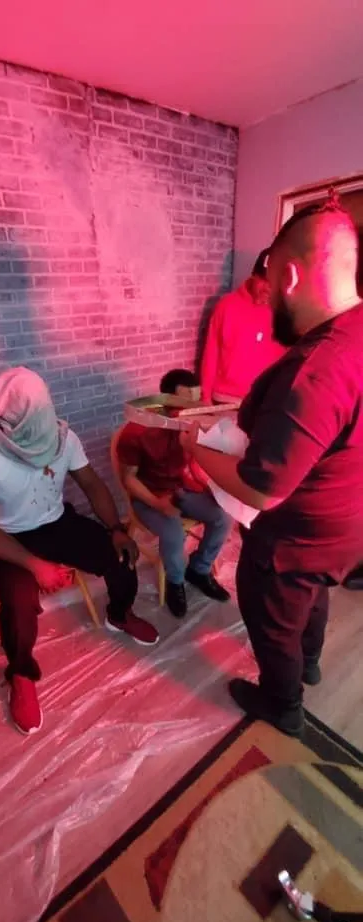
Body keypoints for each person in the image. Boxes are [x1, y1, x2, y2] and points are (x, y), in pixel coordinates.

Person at [181, 194, 363, 738]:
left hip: (297, 536)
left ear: (288, 277)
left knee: (273, 614)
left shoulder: (315, 370)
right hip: (346, 524)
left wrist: (197, 449)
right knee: (314, 591)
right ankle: (311, 663)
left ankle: (282, 704)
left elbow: (262, 490)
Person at [0, 367, 158, 736]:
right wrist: (35, 565)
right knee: (18, 606)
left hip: (57, 522)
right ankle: (20, 673)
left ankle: (119, 614)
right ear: (10, 421)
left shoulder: (64, 438)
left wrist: (116, 529)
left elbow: (92, 485)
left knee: (121, 558)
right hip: (10, 537)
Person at [117, 369, 231, 618]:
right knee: (174, 533)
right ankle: (175, 582)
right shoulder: (137, 431)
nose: (192, 411)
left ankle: (199, 570)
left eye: (196, 403)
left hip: (180, 488)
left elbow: (196, 463)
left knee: (223, 516)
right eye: (185, 404)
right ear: (166, 400)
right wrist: (158, 504)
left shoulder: (193, 426)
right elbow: (129, 479)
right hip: (149, 494)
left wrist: (210, 487)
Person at [201, 249, 284, 404]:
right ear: (253, 276)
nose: (267, 288)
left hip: (263, 403)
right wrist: (205, 396)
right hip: (224, 400)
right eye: (263, 280)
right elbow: (211, 353)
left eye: (273, 282)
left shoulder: (284, 313)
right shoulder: (226, 306)